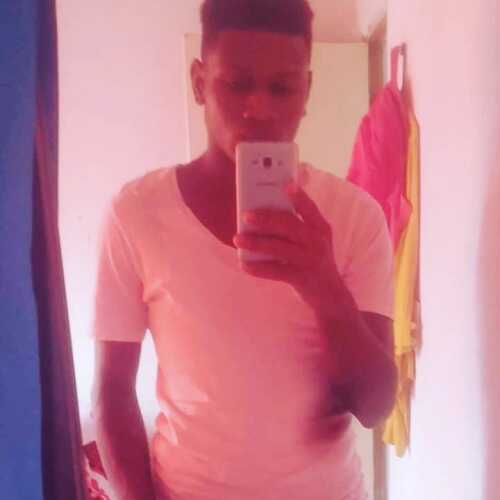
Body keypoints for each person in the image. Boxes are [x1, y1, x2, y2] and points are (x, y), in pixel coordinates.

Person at [90, 1, 397, 499]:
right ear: (199, 82)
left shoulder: (355, 217)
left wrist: (325, 289)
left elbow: (375, 407)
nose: (260, 109)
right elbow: (112, 393)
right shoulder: (137, 213)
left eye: (282, 88)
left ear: (307, 92)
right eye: (236, 84)